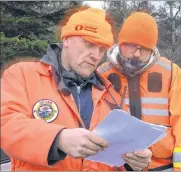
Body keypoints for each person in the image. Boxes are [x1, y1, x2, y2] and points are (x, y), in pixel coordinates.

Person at [1, 7, 152, 171]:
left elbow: (123, 151)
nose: (95, 55)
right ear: (66, 39)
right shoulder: (23, 75)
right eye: (89, 44)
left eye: (101, 49)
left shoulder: (111, 96)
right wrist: (58, 139)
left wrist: (135, 163)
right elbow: (6, 125)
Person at [98, 12, 181, 171]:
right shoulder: (102, 74)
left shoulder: (171, 73)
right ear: (121, 43)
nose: (137, 53)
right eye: (131, 45)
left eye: (144, 48)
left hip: (161, 166)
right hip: (114, 167)